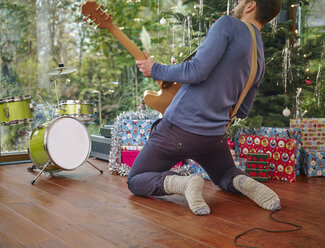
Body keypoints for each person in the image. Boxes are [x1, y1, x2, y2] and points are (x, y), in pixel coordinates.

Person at [128, 0, 282, 216]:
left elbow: (197, 71)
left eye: (240, 1)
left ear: (250, 6)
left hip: (178, 130)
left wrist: (156, 69)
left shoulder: (227, 24)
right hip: (214, 137)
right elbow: (244, 110)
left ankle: (184, 184)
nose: (236, 4)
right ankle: (244, 182)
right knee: (226, 173)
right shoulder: (259, 53)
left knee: (136, 179)